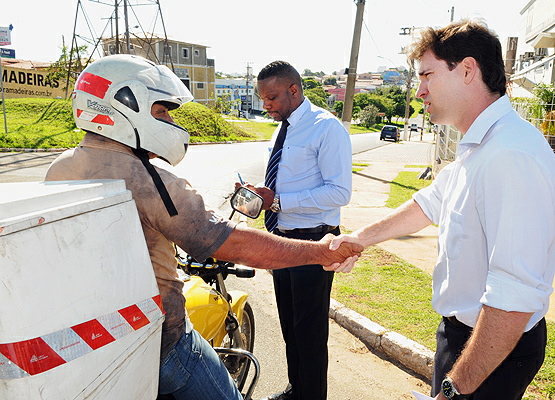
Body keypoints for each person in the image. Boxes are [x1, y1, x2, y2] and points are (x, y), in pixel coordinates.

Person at [44, 54, 361, 400]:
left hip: (96, 334)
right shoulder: (153, 182)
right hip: (164, 340)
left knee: (307, 332)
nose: (168, 120)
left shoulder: (59, 169)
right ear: (126, 107)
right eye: (162, 111)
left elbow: (338, 190)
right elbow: (232, 244)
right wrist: (319, 252)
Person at [329, 19, 555, 400]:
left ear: (467, 70)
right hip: (461, 335)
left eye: (427, 76)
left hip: (494, 350)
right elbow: (428, 203)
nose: (419, 91)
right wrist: (360, 239)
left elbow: (515, 299)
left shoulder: (511, 154)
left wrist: (454, 391)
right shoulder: (480, 145)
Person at [245, 61, 352, 400]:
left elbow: (340, 192)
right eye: (263, 98)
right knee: (290, 323)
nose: (267, 105)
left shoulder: (326, 128)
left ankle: (312, 396)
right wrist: (260, 194)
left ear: (294, 90)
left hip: (314, 240)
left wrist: (278, 201)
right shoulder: (284, 127)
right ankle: (298, 389)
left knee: (309, 328)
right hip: (282, 240)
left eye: (272, 97)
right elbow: (284, 179)